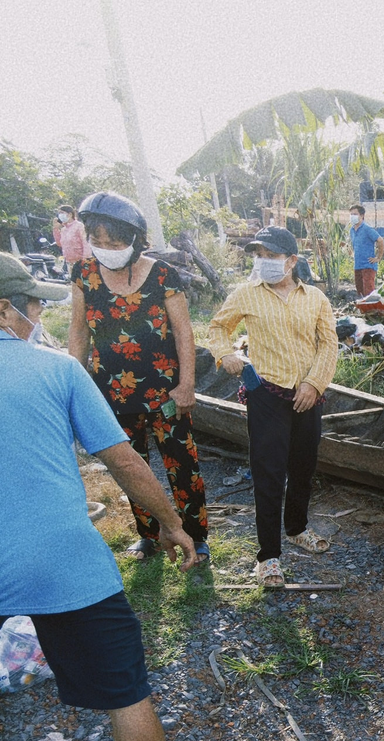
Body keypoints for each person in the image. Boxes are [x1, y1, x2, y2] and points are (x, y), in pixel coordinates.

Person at [1, 277, 218, 741]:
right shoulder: (56, 370)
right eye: (33, 304)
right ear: (4, 308)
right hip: (60, 556)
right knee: (126, 693)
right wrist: (172, 523)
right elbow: (122, 458)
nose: (38, 314)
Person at [68, 191, 210, 563]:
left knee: (182, 462)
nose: (104, 248)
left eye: (112, 242)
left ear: (133, 241)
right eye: (96, 241)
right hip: (110, 391)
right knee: (130, 463)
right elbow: (79, 332)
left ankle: (196, 534)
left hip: (166, 390)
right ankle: (147, 535)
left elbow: (183, 332)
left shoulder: (163, 274)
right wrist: (71, 383)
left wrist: (187, 384)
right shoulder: (83, 274)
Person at [209, 226, 339, 586]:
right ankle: (268, 556)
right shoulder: (246, 294)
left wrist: (314, 384)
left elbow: (329, 345)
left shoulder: (315, 298)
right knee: (268, 472)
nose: (264, 262)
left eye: (271, 255)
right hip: (266, 393)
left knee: (303, 465)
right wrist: (226, 354)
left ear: (291, 260)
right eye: (259, 256)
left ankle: (297, 527)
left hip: (306, 395)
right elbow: (218, 328)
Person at [346, 204, 384, 298]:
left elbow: (380, 240)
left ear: (362, 215)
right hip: (357, 265)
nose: (352, 217)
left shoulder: (367, 229)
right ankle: (364, 311)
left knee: (368, 291)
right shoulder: (352, 230)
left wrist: (378, 257)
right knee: (360, 292)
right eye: (351, 214)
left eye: (355, 214)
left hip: (368, 265)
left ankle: (372, 310)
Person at [52, 204, 91, 272]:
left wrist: (86, 262)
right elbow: (59, 243)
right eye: (59, 213)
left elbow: (86, 244)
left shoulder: (79, 226)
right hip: (69, 263)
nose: (60, 215)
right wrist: (56, 229)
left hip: (81, 262)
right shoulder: (64, 230)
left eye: (62, 213)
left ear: (70, 214)